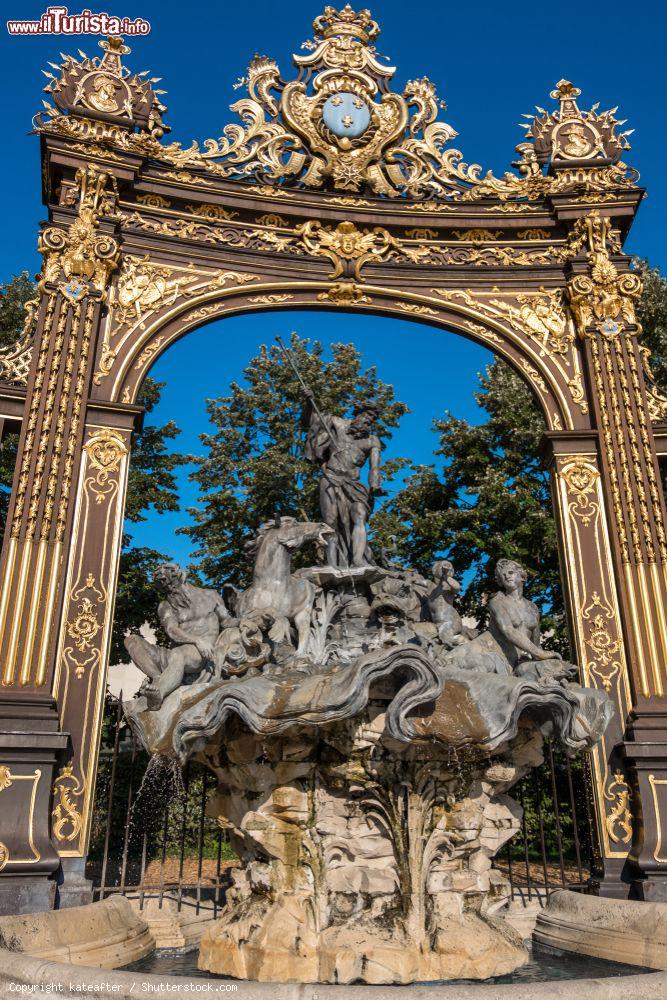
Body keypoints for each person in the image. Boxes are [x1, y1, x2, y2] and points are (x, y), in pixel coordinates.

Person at [124, 563, 231, 710]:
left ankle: (158, 695)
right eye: (165, 590)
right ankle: (158, 679)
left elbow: (227, 621)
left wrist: (247, 621)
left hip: (200, 654)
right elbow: (171, 629)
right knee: (132, 640)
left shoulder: (211, 596)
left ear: (181, 579)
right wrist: (196, 640)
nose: (169, 594)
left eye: (171, 588)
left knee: (179, 653)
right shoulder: (166, 605)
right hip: (175, 655)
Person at [302, 391, 382, 567]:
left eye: (372, 420)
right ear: (358, 414)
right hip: (331, 479)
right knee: (330, 522)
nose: (369, 421)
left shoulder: (372, 441)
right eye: (367, 416)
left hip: (355, 485)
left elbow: (374, 468)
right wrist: (309, 402)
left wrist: (375, 485)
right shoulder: (336, 423)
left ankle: (359, 561)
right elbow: (311, 422)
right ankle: (332, 565)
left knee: (359, 514)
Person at [488, 558, 577, 684]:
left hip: (522, 660)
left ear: (522, 576)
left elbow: (536, 644)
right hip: (500, 657)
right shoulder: (497, 601)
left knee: (558, 674)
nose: (507, 576)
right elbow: (508, 630)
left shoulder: (532, 608)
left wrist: (543, 656)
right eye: (503, 576)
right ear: (500, 582)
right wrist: (540, 654)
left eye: (510, 573)